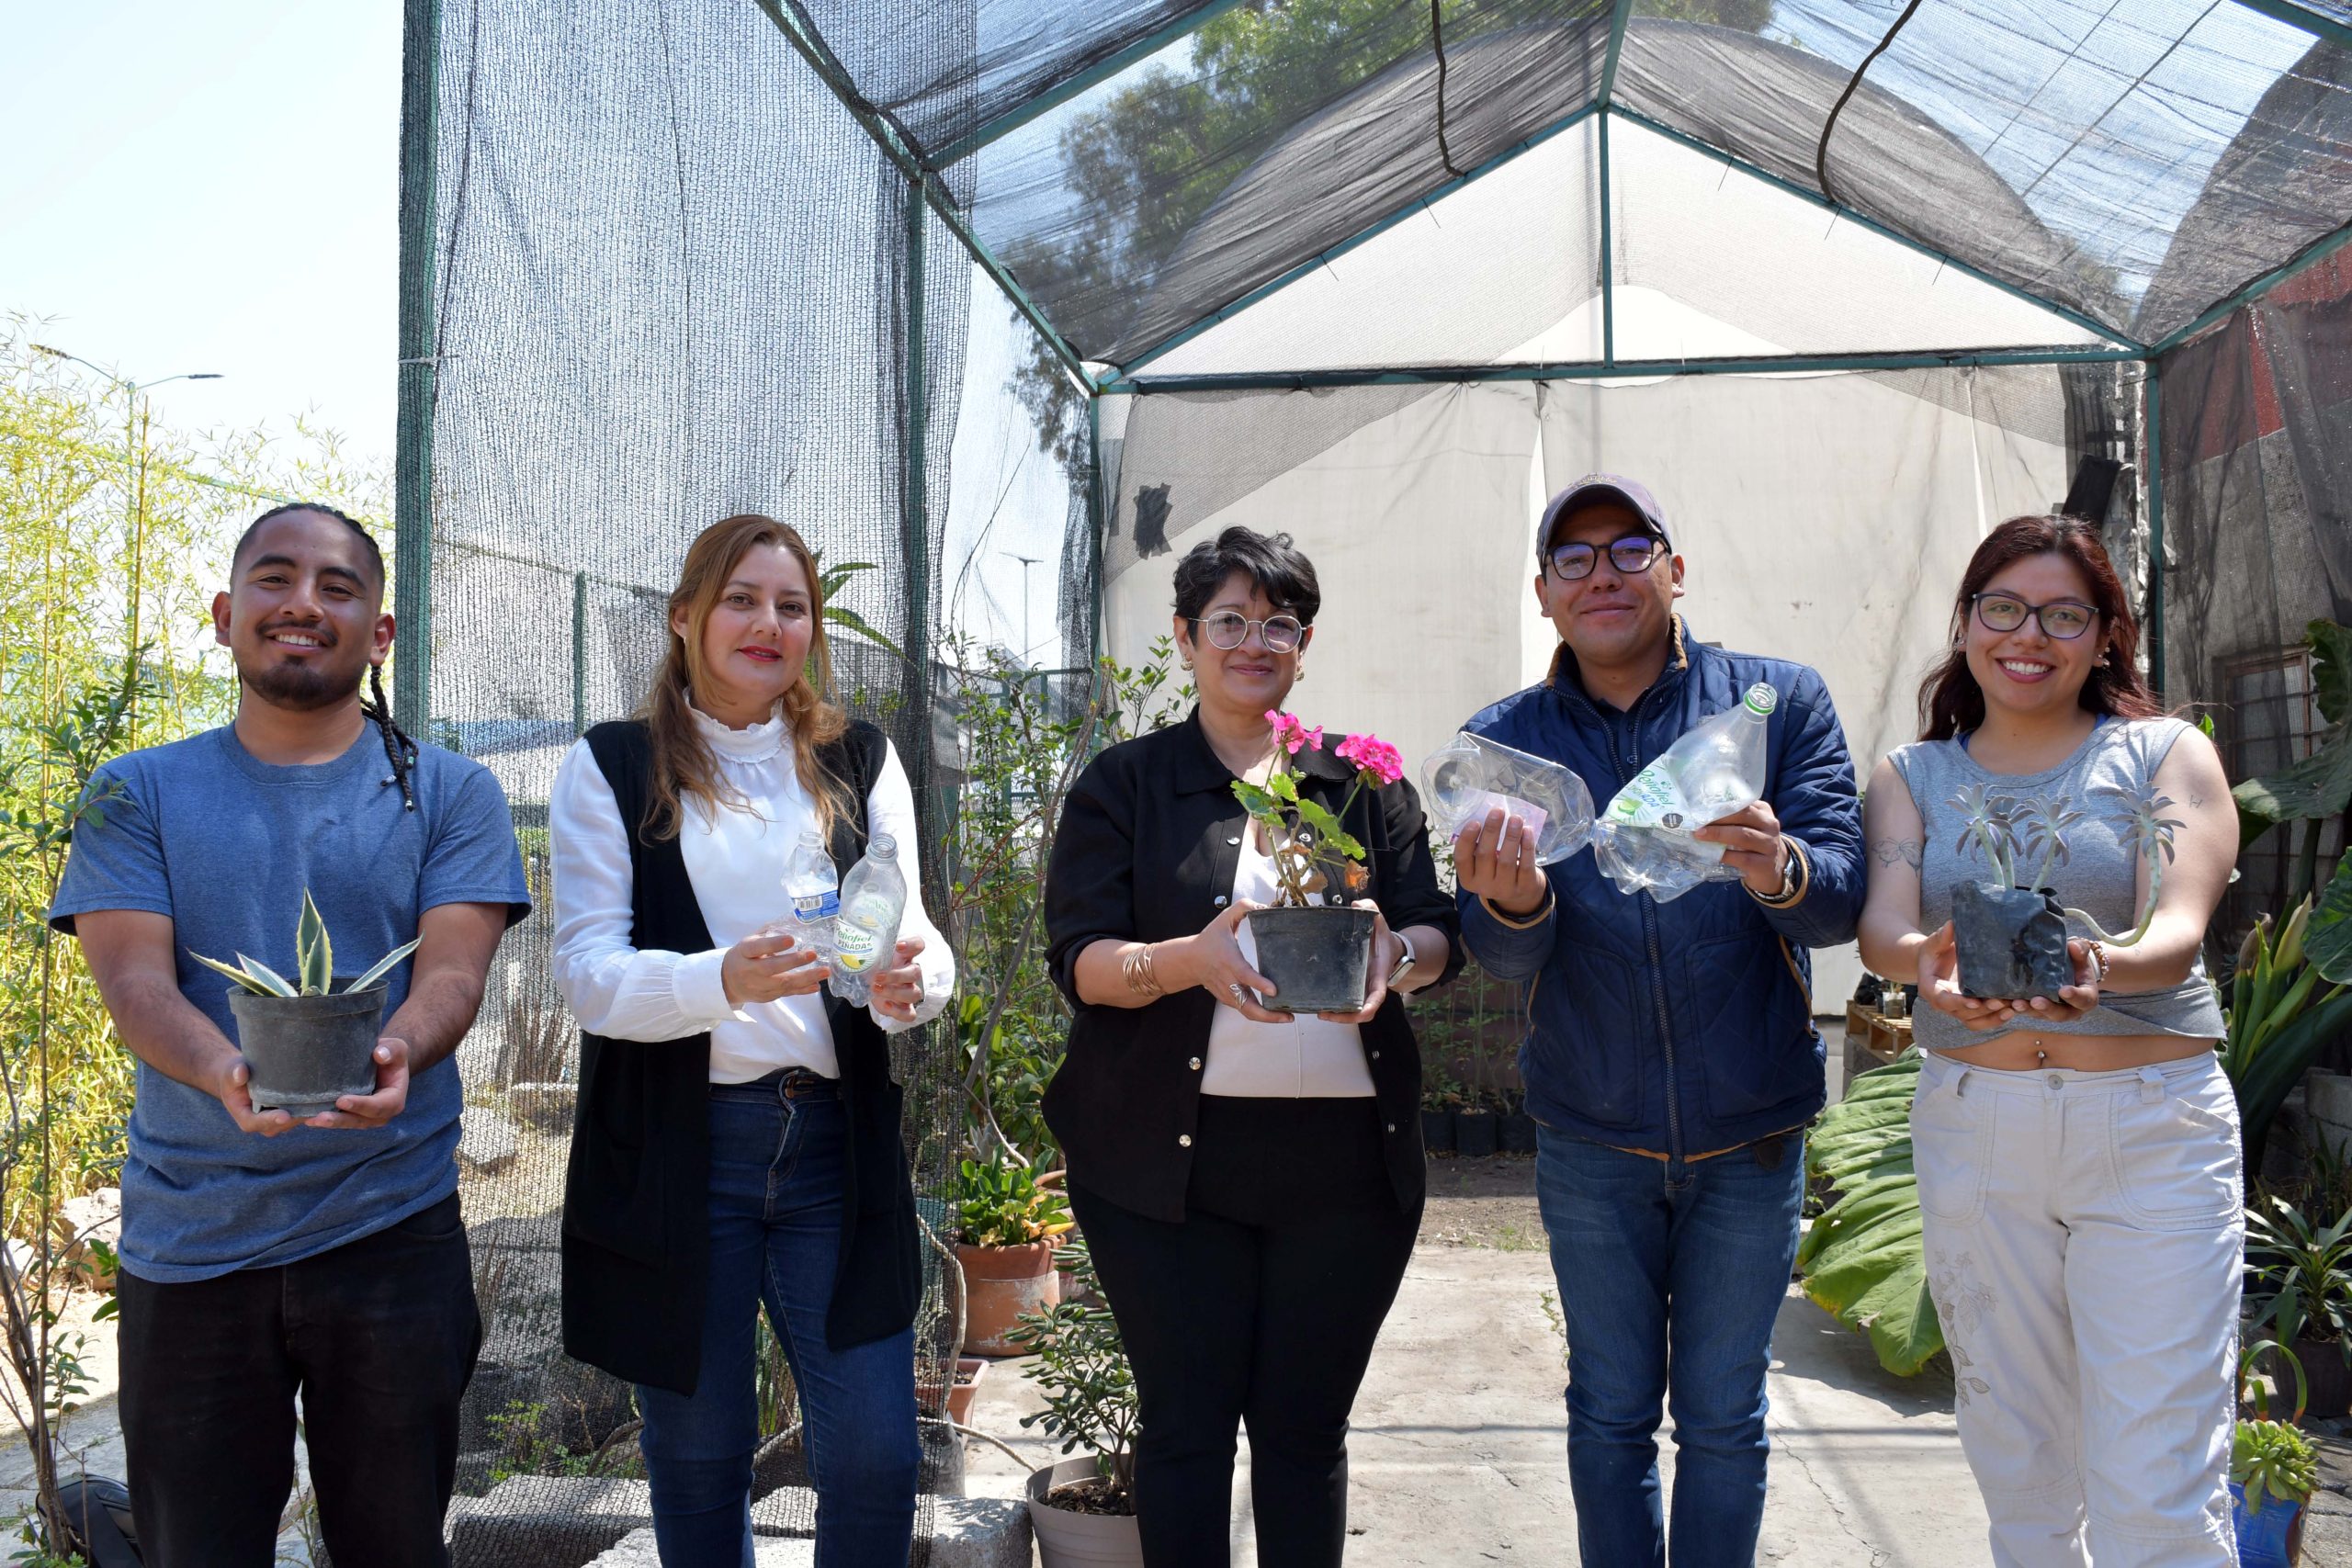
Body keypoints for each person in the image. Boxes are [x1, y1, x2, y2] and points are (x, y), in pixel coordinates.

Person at [51, 502, 531, 1568]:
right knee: (200, 1549)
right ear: (226, 616)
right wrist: (222, 1065)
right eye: (274, 580)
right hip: (192, 1242)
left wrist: (402, 1048)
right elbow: (132, 979)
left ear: (382, 633)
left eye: (338, 587)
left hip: (392, 1232)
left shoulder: (452, 792)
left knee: (396, 1547)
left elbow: (454, 970)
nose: (304, 604)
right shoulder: (138, 791)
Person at [1452, 475, 1866, 1567]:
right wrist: (1513, 900)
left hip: (1751, 1130)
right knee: (1609, 1411)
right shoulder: (1507, 745)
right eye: (1574, 558)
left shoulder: (1774, 704)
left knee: (1726, 1418)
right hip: (1591, 1133)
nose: (1604, 574)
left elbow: (1837, 901)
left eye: (1630, 548)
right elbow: (1496, 952)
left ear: (1675, 571)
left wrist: (1778, 863)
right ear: (1543, 595)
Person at [1043, 525, 1460, 1567]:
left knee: (1304, 1433)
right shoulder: (1126, 786)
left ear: (1305, 645)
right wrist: (1186, 958)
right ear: (1185, 637)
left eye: (1278, 622)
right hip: (1164, 1173)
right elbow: (1081, 959)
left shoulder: (1357, 783)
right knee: (1186, 1433)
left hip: (1346, 1172)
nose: (1252, 640)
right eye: (1227, 619)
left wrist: (1392, 954)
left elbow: (1435, 929)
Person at [550, 513, 951, 1568]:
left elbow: (908, 935)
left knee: (873, 1455)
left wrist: (914, 984)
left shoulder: (857, 759)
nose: (766, 622)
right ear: (684, 618)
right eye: (740, 599)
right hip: (682, 1152)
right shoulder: (614, 765)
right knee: (697, 1455)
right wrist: (715, 980)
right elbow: (588, 976)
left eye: (791, 604)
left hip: (830, 1144)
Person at [1858, 514, 2238, 1565]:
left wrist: (2098, 967)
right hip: (1977, 1131)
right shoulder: (1911, 772)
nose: (2030, 635)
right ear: (1968, 621)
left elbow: (2178, 927)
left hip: (2151, 1128)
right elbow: (1886, 926)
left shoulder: (2163, 754)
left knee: (2157, 1487)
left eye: (2065, 614)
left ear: (2107, 635)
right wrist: (1921, 963)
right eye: (2004, 607)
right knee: (2017, 1469)